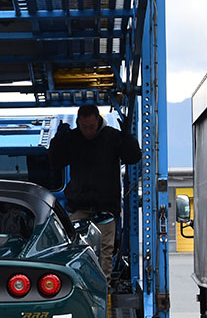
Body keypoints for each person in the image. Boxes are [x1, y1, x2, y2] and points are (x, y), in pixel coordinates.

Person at [48, 104, 142, 278]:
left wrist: (127, 137)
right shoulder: (72, 139)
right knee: (75, 250)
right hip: (79, 206)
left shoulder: (112, 137)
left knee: (105, 251)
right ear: (78, 123)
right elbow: (55, 161)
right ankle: (81, 286)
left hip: (105, 207)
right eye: (84, 127)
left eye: (91, 126)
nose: (88, 131)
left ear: (98, 121)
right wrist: (58, 140)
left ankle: (103, 288)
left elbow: (133, 157)